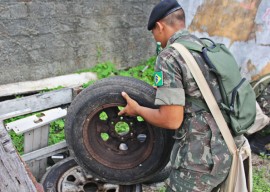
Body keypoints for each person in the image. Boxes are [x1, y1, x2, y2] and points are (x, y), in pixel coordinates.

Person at [119, 0, 243, 191]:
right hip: (228, 146)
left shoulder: (170, 56)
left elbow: (171, 120)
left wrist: (138, 110)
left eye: (153, 32)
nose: (155, 39)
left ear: (160, 26)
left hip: (200, 160)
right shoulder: (203, 47)